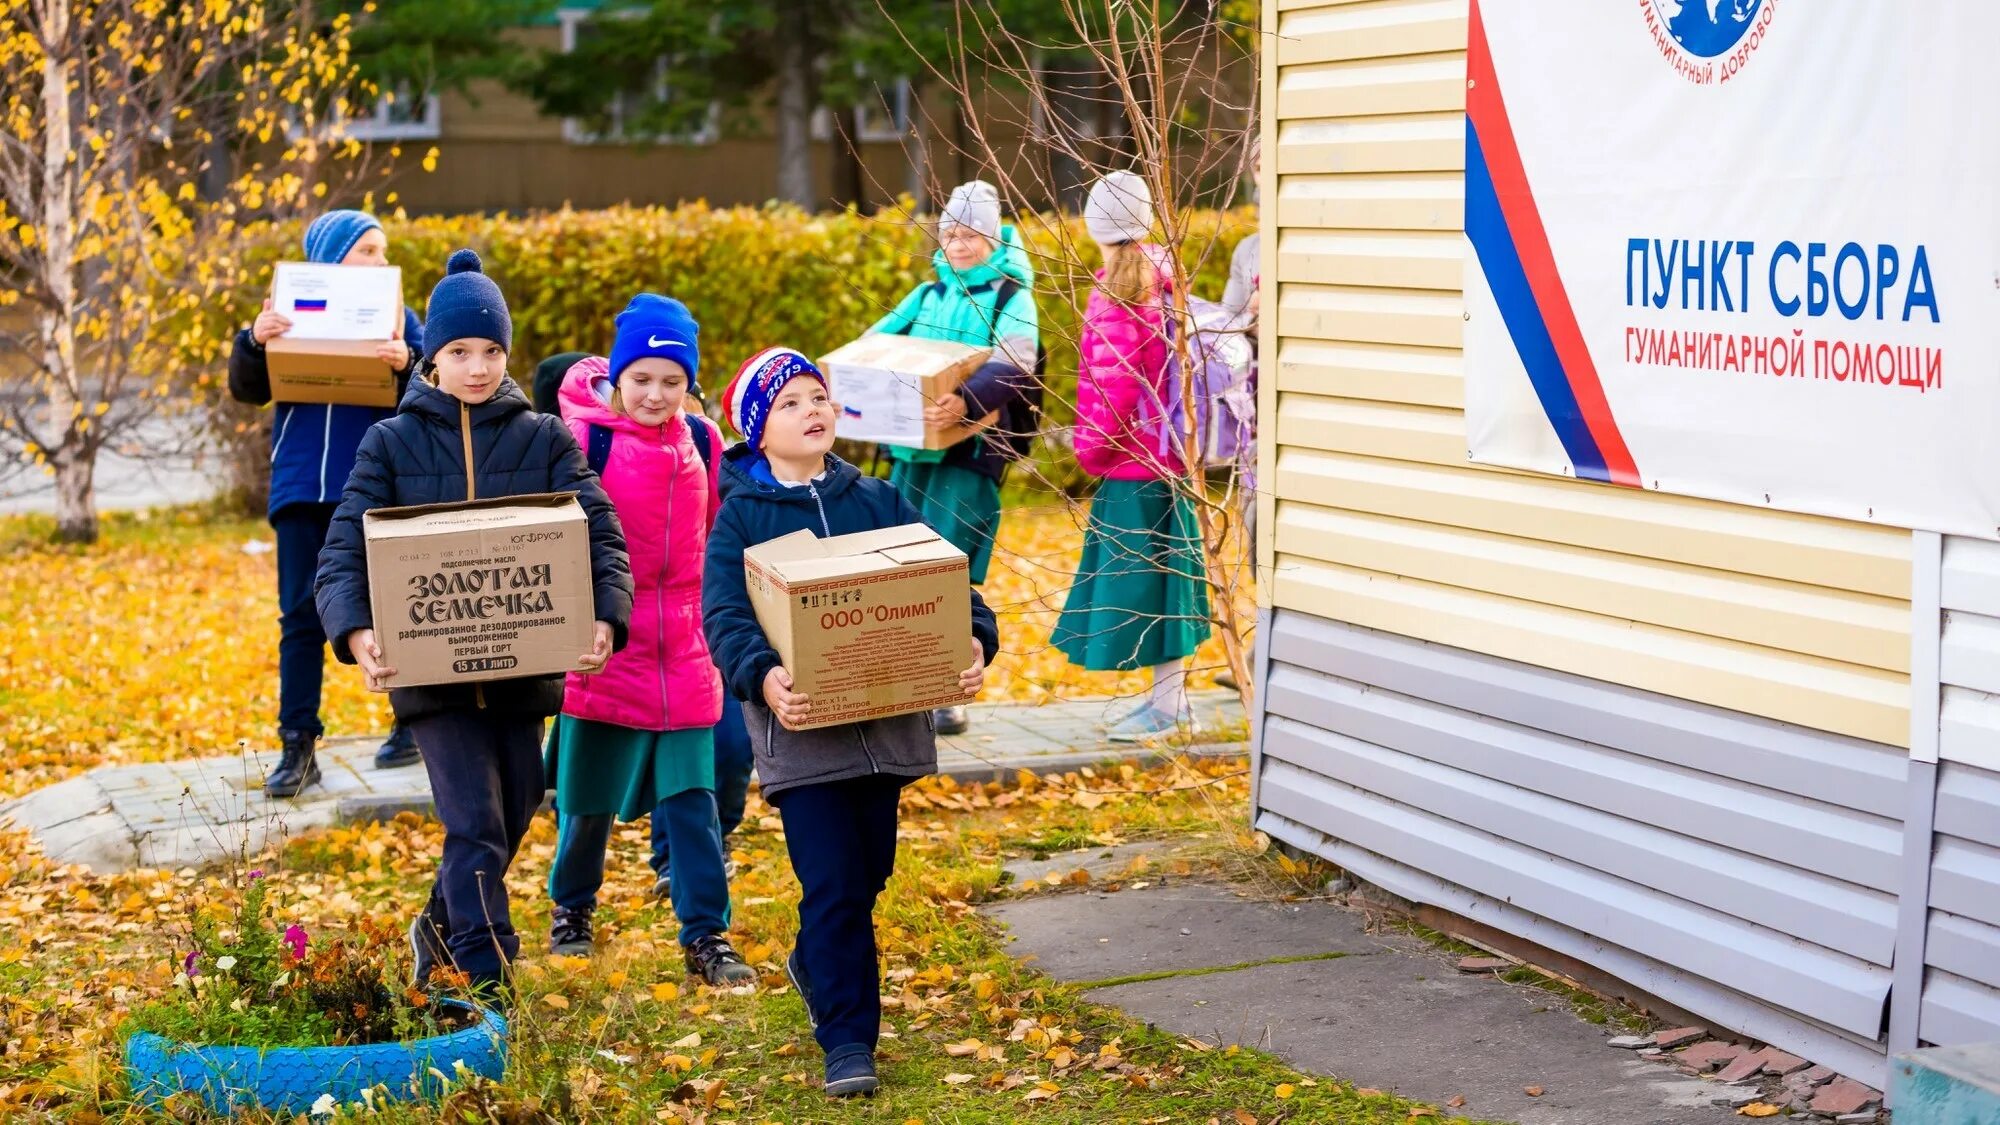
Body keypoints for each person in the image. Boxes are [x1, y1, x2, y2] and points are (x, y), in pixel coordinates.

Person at [315, 249, 633, 999]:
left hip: (523, 673)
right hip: (434, 680)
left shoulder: (544, 439)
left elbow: (602, 533)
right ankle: (485, 979)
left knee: (516, 806)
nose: (479, 366)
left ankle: (436, 922)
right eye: (460, 351)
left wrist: (604, 617)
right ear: (433, 357)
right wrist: (356, 630)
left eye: (491, 350)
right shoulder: (389, 443)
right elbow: (341, 549)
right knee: (475, 822)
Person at [703, 347, 998, 1098]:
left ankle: (814, 959)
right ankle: (847, 1039)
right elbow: (726, 616)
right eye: (791, 402)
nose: (813, 410)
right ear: (757, 432)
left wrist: (971, 637)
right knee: (833, 882)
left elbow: (945, 577)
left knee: (868, 875)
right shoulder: (742, 515)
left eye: (818, 396)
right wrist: (764, 678)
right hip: (802, 735)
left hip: (889, 732)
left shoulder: (879, 498)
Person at [541, 296, 755, 987]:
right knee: (586, 799)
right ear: (619, 376)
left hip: (687, 647)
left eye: (672, 379)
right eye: (643, 379)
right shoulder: (585, 440)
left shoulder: (702, 439)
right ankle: (571, 908)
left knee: (692, 800)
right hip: (608, 640)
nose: (657, 394)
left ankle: (706, 936)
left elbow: (718, 532)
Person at [227, 209, 426, 796]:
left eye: (383, 249)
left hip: (376, 488)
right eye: (367, 249)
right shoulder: (284, 313)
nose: (380, 260)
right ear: (331, 257)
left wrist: (407, 364)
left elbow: (428, 398)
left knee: (395, 609)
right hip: (301, 488)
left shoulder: (400, 320)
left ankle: (412, 725)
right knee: (300, 617)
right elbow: (248, 389)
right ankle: (298, 746)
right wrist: (252, 341)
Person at [866, 180, 1040, 736]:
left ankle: (948, 690)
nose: (958, 244)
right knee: (897, 566)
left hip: (971, 455)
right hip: (911, 454)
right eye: (950, 233)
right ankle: (904, 685)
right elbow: (873, 344)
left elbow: (1019, 360)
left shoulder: (1013, 296)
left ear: (991, 237)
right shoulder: (927, 295)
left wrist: (964, 400)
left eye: (969, 234)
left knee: (949, 570)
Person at [1051, 171, 1213, 741]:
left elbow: (1112, 385)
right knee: (1168, 582)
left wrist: (1089, 450)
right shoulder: (1163, 276)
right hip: (1169, 457)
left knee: (1140, 586)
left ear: (1096, 227)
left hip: (1133, 465)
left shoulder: (1119, 290)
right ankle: (1170, 700)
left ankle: (1167, 708)